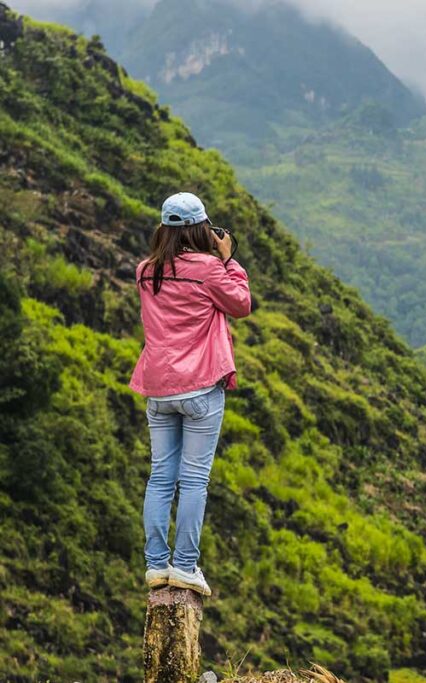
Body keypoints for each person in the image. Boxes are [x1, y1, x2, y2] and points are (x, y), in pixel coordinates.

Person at [128, 192, 251, 596]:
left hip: (159, 388)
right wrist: (228, 259)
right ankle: (184, 566)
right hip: (200, 387)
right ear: (203, 229)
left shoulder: (145, 271)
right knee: (194, 480)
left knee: (160, 477)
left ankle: (155, 565)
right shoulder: (211, 269)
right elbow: (241, 304)